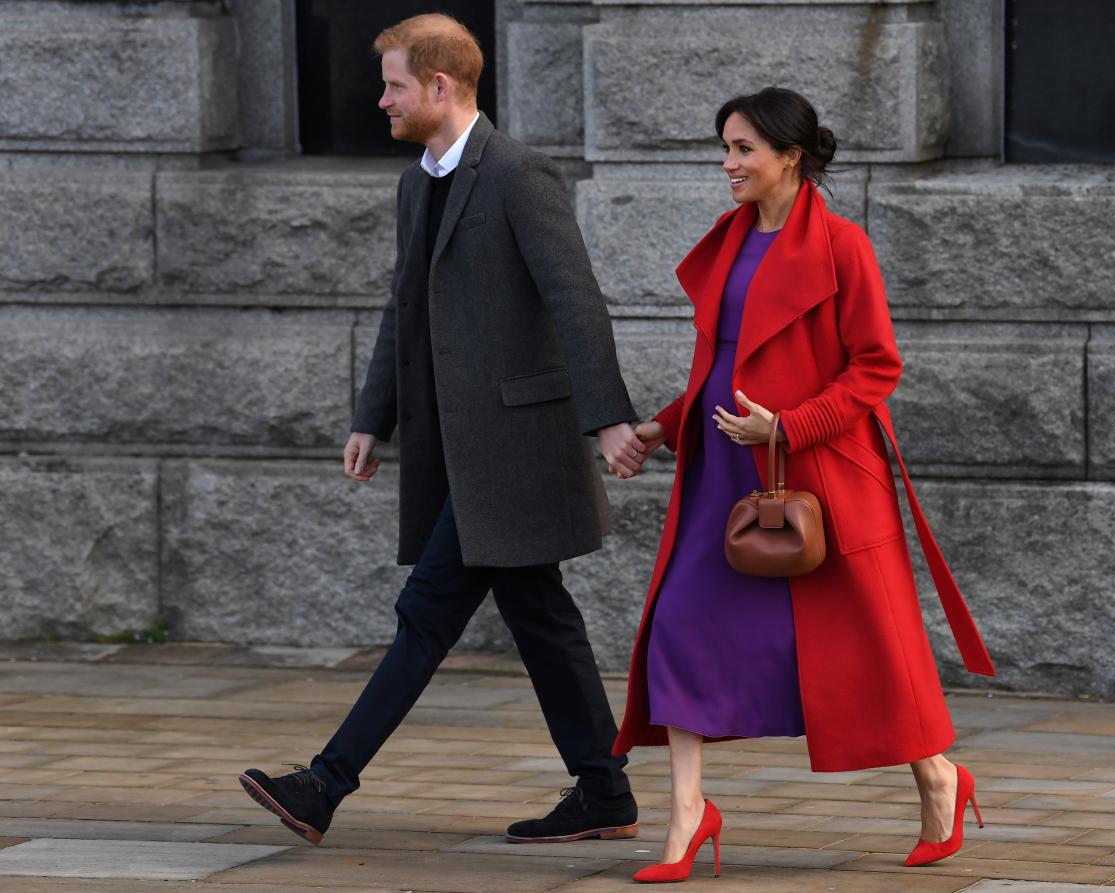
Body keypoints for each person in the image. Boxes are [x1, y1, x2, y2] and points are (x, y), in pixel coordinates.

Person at [238, 13, 647, 847]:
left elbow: (576, 300)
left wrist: (607, 420)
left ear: (439, 86)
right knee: (540, 613)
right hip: (456, 448)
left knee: (427, 609)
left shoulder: (519, 176)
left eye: (392, 85)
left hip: (515, 448)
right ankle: (604, 788)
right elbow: (405, 306)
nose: (379, 100)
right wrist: (370, 417)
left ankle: (325, 783)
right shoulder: (414, 182)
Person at [612, 87, 996, 883]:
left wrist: (789, 426)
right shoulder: (727, 241)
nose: (728, 164)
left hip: (821, 476)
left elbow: (877, 367)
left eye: (744, 148)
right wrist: (663, 423)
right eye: (724, 147)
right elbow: (727, 365)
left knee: (867, 643)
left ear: (791, 155)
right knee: (680, 623)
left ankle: (937, 777)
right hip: (723, 473)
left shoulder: (844, 245)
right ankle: (688, 813)